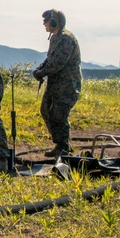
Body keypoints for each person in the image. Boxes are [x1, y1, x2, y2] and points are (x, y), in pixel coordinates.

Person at [33, 9, 82, 157]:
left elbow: (57, 63)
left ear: (55, 22)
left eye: (47, 20)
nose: (44, 23)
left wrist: (41, 73)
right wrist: (39, 69)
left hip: (67, 85)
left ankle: (64, 147)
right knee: (46, 111)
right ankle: (60, 144)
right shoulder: (55, 38)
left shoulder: (66, 38)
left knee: (59, 115)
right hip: (55, 85)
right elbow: (50, 59)